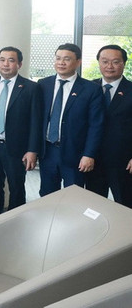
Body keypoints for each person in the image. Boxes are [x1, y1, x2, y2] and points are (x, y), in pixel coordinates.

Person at [38, 43, 104, 196]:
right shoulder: (43, 85)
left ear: (78, 62)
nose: (61, 63)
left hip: (75, 153)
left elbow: (96, 125)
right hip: (47, 151)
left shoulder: (91, 89)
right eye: (58, 58)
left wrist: (89, 154)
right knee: (46, 195)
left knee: (74, 197)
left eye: (67, 59)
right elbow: (36, 120)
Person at [0, 46, 42, 217]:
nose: (6, 64)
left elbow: (36, 122)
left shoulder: (31, 88)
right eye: (2, 59)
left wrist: (32, 150)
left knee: (16, 187)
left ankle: (15, 221)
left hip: (17, 148)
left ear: (19, 64)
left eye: (11, 60)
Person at [86, 45, 132, 207]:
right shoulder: (87, 88)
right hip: (92, 160)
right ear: (98, 62)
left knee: (125, 205)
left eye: (115, 62)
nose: (109, 66)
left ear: (124, 64)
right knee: (93, 206)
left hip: (123, 162)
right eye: (104, 61)